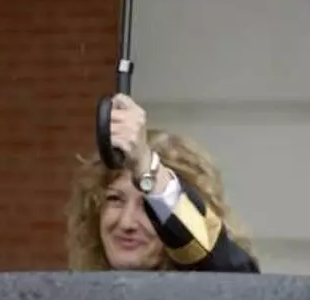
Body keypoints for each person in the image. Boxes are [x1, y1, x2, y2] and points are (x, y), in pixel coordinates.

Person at [65, 94, 259, 273]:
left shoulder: (216, 287)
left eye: (148, 205)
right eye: (115, 199)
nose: (126, 223)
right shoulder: (80, 294)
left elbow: (236, 274)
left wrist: (146, 167)